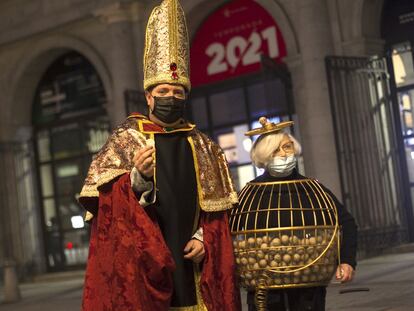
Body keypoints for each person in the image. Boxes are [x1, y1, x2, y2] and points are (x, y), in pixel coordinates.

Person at [78, 0, 241, 310]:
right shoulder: (126, 140)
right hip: (145, 271)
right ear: (149, 97)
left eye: (178, 93)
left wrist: (204, 237)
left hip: (194, 266)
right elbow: (105, 212)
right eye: (163, 92)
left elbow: (219, 213)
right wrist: (137, 181)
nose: (171, 98)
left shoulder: (205, 146)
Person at [244, 118, 357, 311]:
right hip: (265, 286)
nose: (283, 154)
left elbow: (346, 223)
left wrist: (346, 261)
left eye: (287, 147)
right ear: (263, 157)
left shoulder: (313, 189)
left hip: (308, 286)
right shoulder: (251, 194)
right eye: (275, 151)